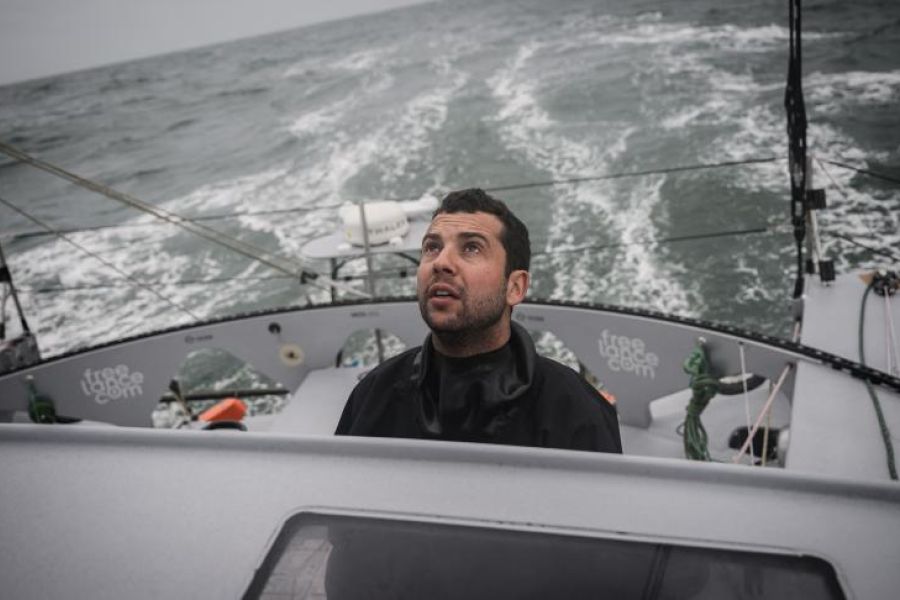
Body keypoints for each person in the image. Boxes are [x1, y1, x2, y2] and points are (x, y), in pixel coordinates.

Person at [335, 188, 621, 453]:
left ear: (515, 287)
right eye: (432, 247)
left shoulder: (575, 412)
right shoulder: (373, 394)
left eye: (471, 248)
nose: (441, 262)